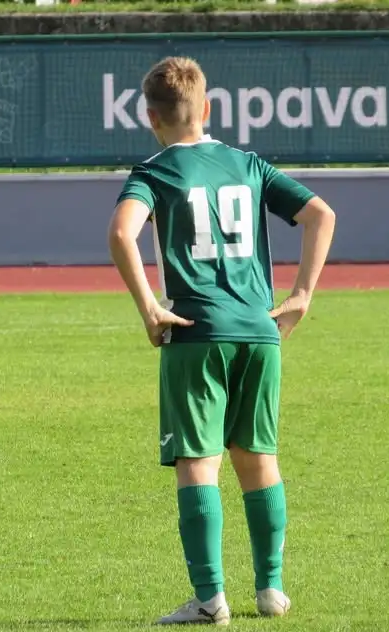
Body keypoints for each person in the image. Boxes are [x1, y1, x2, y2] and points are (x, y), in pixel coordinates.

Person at [107, 56, 337, 626]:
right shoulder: (248, 163)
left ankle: (210, 600)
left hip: (197, 333)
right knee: (260, 461)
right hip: (260, 332)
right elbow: (320, 214)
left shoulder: (153, 172)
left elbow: (120, 233)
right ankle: (271, 591)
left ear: (150, 117)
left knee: (198, 464)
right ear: (207, 108)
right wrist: (302, 293)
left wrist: (149, 308)